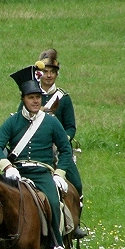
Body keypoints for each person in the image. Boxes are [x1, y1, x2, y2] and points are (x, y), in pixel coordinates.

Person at [0, 64, 74, 249]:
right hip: (17, 173)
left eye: (38, 98)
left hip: (42, 173)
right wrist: (7, 167)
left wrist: (59, 173)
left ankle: (56, 244)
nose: (35, 101)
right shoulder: (13, 122)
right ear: (23, 99)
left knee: (53, 201)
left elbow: (66, 149)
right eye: (31, 98)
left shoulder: (51, 122)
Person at [36, 49, 87, 239]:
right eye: (46, 72)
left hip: (58, 150)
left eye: (52, 72)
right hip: (36, 148)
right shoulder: (31, 94)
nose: (49, 76)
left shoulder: (63, 98)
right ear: (39, 74)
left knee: (77, 184)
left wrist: (63, 140)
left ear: (56, 74)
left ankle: (76, 224)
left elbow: (71, 126)